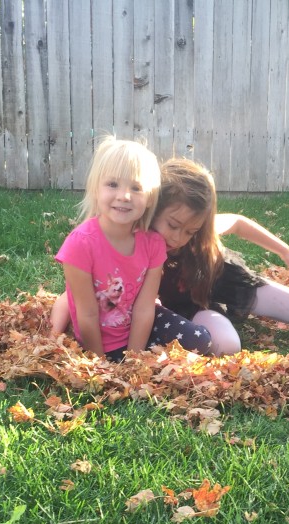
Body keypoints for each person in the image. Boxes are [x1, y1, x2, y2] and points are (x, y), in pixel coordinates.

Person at [49, 137, 212, 358]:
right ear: (96, 188)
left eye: (136, 188)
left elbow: (144, 309)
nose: (124, 196)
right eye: (112, 184)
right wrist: (100, 364)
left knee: (200, 341)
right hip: (97, 339)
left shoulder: (153, 244)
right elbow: (87, 314)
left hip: (138, 331)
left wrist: (134, 359)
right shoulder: (80, 244)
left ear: (150, 197)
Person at [152, 158, 289, 356]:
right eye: (173, 225)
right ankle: (219, 318)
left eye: (190, 231)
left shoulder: (200, 232)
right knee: (228, 346)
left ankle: (248, 300)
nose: (179, 238)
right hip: (191, 306)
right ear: (154, 210)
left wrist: (284, 250)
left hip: (225, 280)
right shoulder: (143, 245)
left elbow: (238, 223)